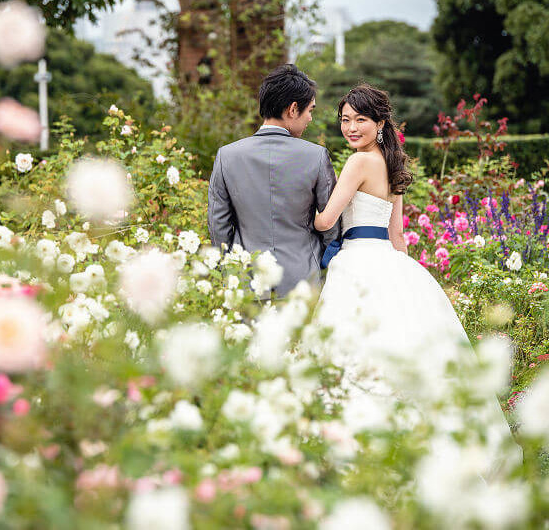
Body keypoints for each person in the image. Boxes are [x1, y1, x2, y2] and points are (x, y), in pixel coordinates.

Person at [314, 84, 519, 474]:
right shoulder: (391, 163)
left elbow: (326, 220)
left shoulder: (358, 163)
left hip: (357, 263)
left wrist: (308, 217)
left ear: (379, 122)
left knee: (355, 348)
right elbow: (397, 236)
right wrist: (404, 278)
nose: (351, 128)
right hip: (389, 262)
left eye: (360, 120)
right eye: (345, 120)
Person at [207, 64, 341, 298]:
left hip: (247, 282)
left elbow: (218, 227)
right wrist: (325, 265)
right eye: (310, 110)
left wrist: (228, 271)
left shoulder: (227, 156)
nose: (310, 118)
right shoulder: (316, 156)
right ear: (292, 109)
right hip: (303, 281)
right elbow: (331, 223)